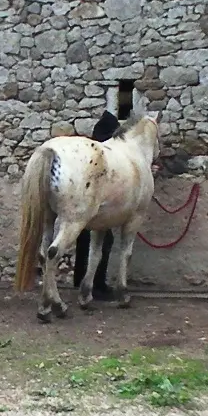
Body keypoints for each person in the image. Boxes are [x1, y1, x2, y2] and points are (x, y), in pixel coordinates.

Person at [72, 110, 121, 301]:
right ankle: (96, 284)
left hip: (82, 206)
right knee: (102, 242)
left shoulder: (88, 153)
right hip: (95, 207)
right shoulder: (102, 156)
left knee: (83, 241)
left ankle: (81, 279)